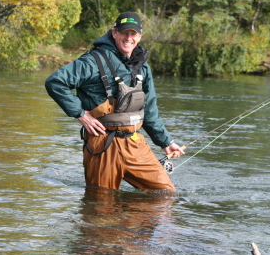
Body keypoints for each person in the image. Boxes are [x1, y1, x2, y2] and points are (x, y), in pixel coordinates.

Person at [45, 11, 184, 192]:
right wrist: (81, 114)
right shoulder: (93, 61)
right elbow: (55, 82)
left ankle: (128, 220)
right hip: (102, 145)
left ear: (139, 36)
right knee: (101, 208)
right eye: (124, 32)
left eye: (133, 34)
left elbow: (149, 109)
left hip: (134, 143)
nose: (128, 38)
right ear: (114, 33)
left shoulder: (143, 66)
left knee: (165, 195)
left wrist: (165, 141)